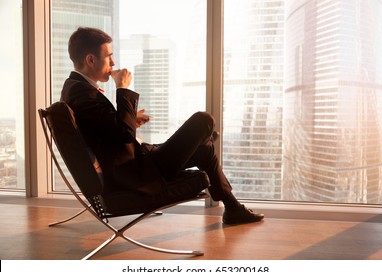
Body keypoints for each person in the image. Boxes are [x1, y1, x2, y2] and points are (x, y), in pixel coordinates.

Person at [60, 27, 264, 225]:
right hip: (137, 172)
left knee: (205, 149)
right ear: (90, 59)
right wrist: (123, 87)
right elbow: (122, 133)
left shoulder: (76, 88)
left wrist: (131, 120)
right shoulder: (82, 94)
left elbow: (107, 132)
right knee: (204, 121)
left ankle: (232, 206)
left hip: (139, 159)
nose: (113, 62)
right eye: (109, 56)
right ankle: (210, 153)